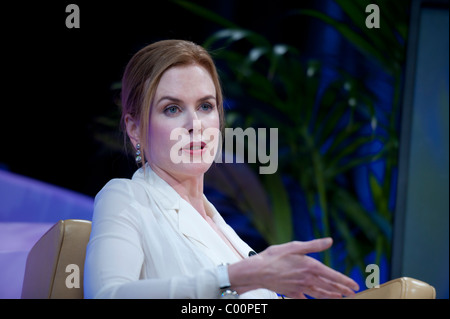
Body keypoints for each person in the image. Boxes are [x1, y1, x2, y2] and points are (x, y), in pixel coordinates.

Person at [84, 39, 360, 299]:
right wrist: (231, 278)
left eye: (205, 106)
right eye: (172, 109)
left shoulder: (224, 231)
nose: (195, 124)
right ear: (135, 130)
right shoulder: (127, 196)